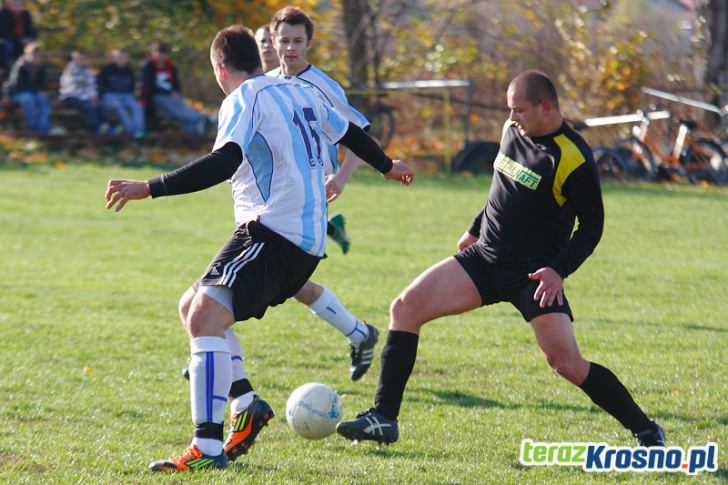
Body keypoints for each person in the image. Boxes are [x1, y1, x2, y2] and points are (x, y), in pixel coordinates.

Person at [105, 25, 414, 472]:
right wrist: (386, 166)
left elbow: (225, 160)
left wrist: (149, 188)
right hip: (301, 238)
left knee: (203, 316)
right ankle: (246, 402)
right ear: (258, 56)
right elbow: (348, 132)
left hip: (272, 232)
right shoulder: (295, 91)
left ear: (219, 68)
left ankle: (207, 448)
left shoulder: (242, 98)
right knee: (191, 304)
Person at [336, 70, 665, 449]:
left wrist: (558, 271)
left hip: (533, 276)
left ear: (545, 107)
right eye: (511, 109)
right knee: (405, 309)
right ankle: (384, 418)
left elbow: (592, 227)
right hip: (484, 258)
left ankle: (645, 429)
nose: (513, 117)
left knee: (567, 364)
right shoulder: (513, 129)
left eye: (520, 109)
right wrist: (475, 227)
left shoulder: (573, 157)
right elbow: (501, 184)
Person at [141, 41, 208, 135]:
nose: (160, 56)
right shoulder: (148, 67)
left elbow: (176, 84)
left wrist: (176, 92)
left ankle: (193, 132)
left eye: (163, 53)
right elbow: (149, 86)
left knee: (182, 104)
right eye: (158, 53)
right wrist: (169, 92)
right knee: (177, 107)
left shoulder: (170, 67)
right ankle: (198, 119)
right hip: (156, 97)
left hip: (172, 96)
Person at [97, 48, 145, 137]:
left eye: (124, 57)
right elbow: (100, 85)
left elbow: (133, 87)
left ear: (127, 59)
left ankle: (139, 131)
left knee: (137, 107)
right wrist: (100, 97)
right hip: (110, 95)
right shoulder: (106, 70)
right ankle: (130, 132)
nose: (122, 59)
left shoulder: (129, 71)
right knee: (120, 107)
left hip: (127, 95)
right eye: (119, 57)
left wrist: (136, 96)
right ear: (114, 58)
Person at [3, 41, 49, 132]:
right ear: (27, 54)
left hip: (33, 93)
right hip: (16, 94)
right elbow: (18, 86)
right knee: (28, 99)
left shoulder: (41, 67)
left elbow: (42, 84)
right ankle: (30, 128)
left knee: (43, 98)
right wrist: (35, 90)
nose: (36, 58)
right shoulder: (20, 66)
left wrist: (38, 91)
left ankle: (42, 128)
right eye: (34, 55)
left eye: (38, 55)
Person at [59, 50, 104, 134]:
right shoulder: (70, 70)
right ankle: (97, 131)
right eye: (81, 59)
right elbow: (72, 89)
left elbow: (91, 86)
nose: (85, 61)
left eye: (86, 59)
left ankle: (105, 127)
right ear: (76, 60)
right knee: (89, 107)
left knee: (100, 105)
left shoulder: (87, 70)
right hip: (70, 97)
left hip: (85, 98)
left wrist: (94, 97)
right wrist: (88, 99)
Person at [0, 0, 36, 78]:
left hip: (23, 41)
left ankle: (29, 73)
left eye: (19, 4)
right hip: (9, 41)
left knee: (34, 48)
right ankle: (5, 70)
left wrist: (30, 38)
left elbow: (30, 29)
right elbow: (5, 32)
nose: (17, 6)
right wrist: (19, 39)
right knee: (8, 46)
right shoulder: (4, 14)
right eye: (15, 4)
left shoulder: (25, 15)